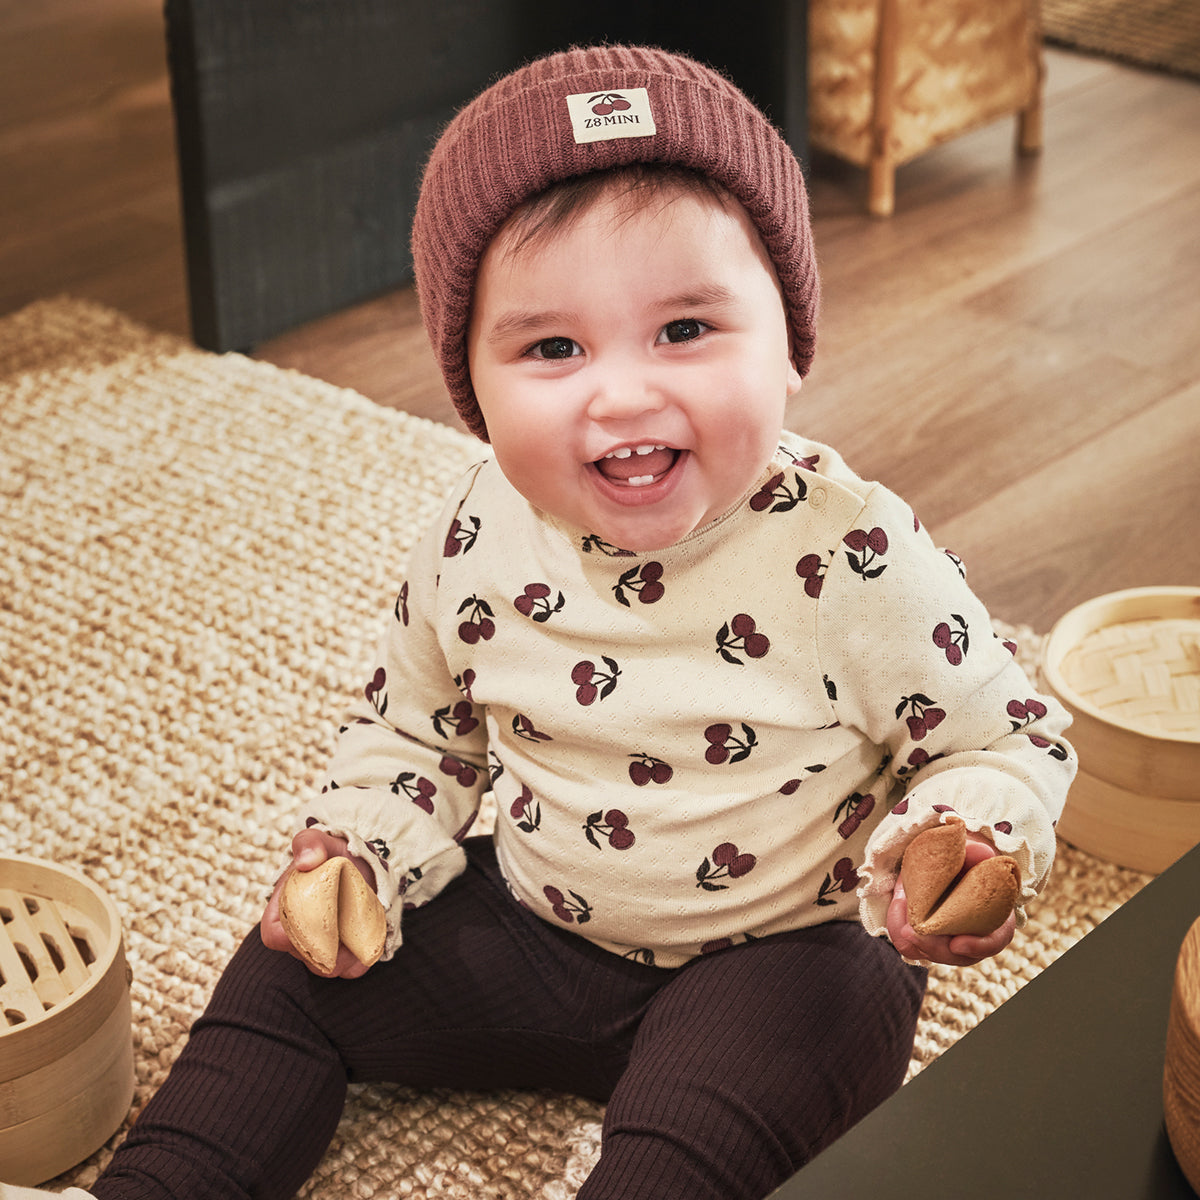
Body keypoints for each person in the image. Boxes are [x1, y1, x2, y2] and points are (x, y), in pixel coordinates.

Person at [4, 44, 1075, 1200]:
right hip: (540, 924)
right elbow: (418, 733)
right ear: (470, 384)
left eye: (685, 329)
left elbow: (1005, 735)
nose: (623, 393)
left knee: (695, 1142)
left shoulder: (850, 555)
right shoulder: (476, 536)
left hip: (785, 954)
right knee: (282, 981)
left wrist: (970, 833)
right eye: (553, 348)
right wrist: (361, 844)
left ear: (791, 342)